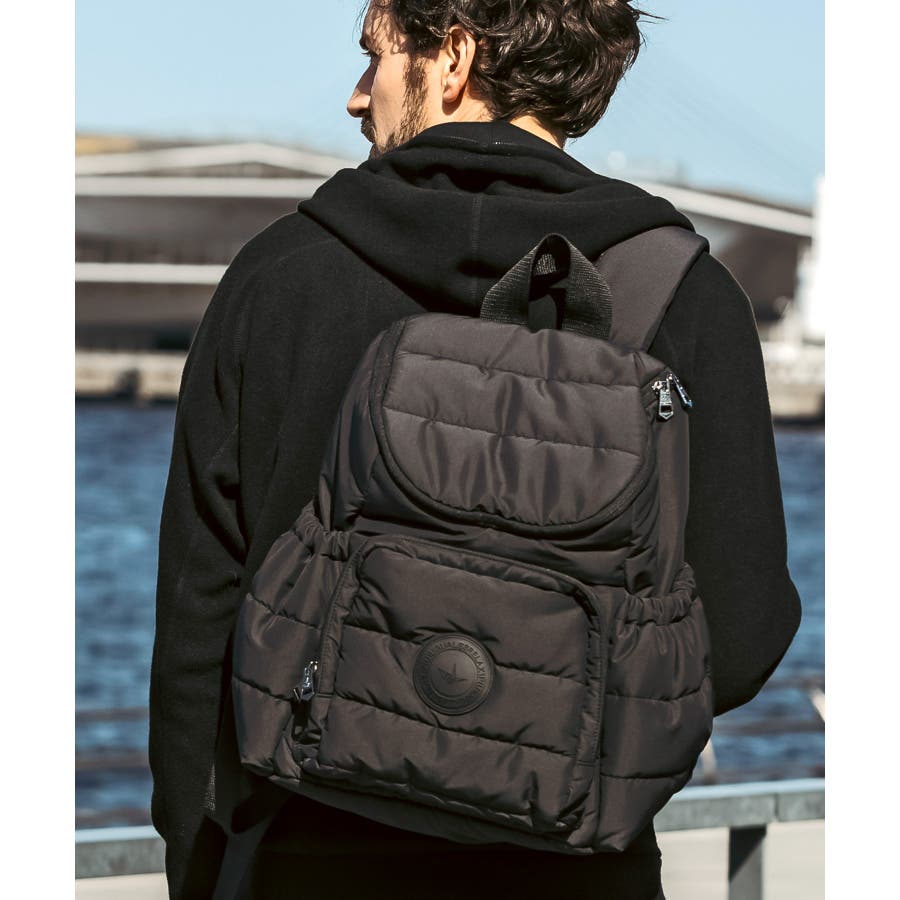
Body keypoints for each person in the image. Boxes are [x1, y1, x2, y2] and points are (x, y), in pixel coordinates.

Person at [149, 1, 802, 897]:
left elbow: (198, 625)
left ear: (452, 59)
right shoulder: (685, 293)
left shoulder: (280, 274)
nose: (356, 95)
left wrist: (200, 863)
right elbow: (743, 634)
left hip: (308, 855)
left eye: (374, 56)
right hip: (575, 868)